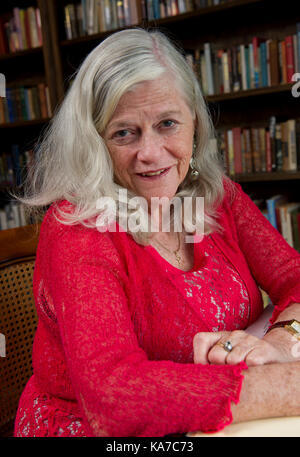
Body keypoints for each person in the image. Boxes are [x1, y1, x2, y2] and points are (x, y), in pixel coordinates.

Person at [14, 28, 300, 438]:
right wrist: (289, 386)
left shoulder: (219, 197)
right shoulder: (77, 231)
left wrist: (280, 342)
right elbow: (116, 397)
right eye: (124, 132)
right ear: (95, 142)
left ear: (195, 125)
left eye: (167, 123)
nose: (149, 153)